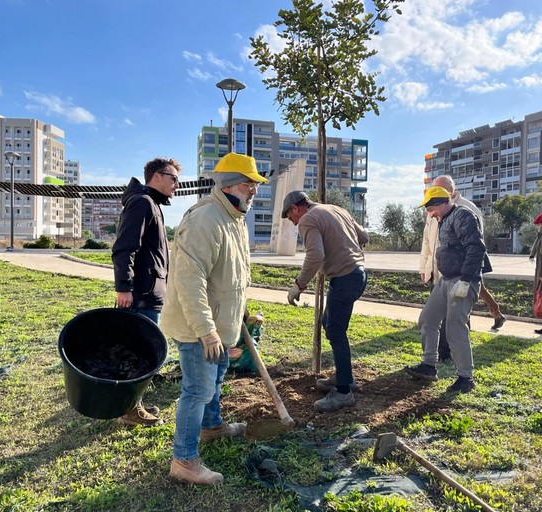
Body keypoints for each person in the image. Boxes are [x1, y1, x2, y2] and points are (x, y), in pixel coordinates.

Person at [160, 152, 267, 486]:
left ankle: (212, 427)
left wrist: (242, 313)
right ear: (232, 185)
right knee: (197, 390)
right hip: (198, 328)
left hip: (221, 326)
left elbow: (234, 275)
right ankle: (184, 460)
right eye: (251, 185)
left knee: (216, 381)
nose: (254, 191)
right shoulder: (204, 220)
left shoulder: (233, 219)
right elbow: (190, 282)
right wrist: (206, 332)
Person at [282, 190, 368, 412]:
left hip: (344, 277)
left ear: (295, 208)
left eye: (291, 218)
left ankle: (343, 392)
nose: (293, 223)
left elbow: (315, 255)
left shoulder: (308, 219)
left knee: (336, 331)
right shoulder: (336, 209)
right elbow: (364, 237)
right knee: (327, 322)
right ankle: (343, 376)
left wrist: (299, 285)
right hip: (359, 273)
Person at [111, 157, 181, 426]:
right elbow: (124, 248)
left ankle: (132, 403)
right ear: (157, 176)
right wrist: (124, 288)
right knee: (138, 351)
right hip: (140, 293)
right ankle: (129, 410)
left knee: (142, 349)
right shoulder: (142, 203)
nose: (177, 184)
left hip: (148, 292)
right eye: (173, 178)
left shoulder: (150, 203)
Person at [406, 186, 486, 393]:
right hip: (445, 280)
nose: (429, 213)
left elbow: (476, 248)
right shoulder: (444, 219)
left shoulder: (462, 216)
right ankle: (428, 366)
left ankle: (465, 378)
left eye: (431, 207)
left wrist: (466, 280)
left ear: (442, 202)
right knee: (427, 319)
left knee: (455, 328)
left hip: (461, 280)